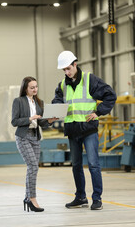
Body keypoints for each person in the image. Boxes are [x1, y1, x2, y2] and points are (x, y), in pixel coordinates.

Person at [52, 51, 117, 210]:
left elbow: (110, 95)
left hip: (88, 129)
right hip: (73, 130)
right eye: (64, 70)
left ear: (75, 64)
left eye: (68, 68)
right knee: (76, 165)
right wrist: (54, 113)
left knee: (93, 164)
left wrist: (98, 112)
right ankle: (80, 197)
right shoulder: (62, 85)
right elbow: (57, 101)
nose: (67, 72)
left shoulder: (90, 80)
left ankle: (97, 199)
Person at [11, 76, 56, 212]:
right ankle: (32, 198)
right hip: (23, 137)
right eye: (32, 87)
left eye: (36, 87)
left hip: (35, 137)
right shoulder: (18, 101)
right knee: (33, 166)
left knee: (33, 168)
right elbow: (14, 121)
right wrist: (29, 118)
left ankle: (27, 197)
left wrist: (49, 120)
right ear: (25, 88)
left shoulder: (39, 102)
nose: (35, 89)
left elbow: (41, 123)